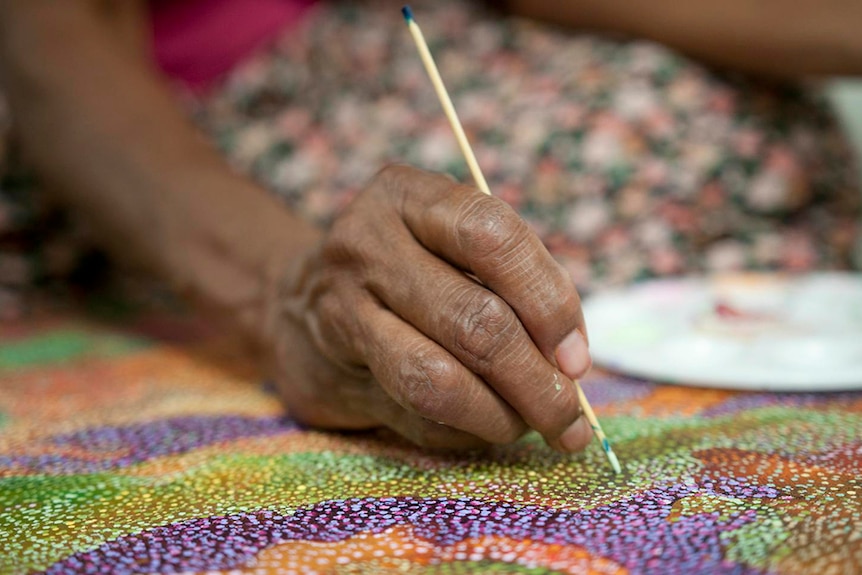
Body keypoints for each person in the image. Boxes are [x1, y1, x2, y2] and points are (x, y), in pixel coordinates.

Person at [0, 0, 859, 452]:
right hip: (177, 111)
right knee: (447, 268)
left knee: (747, 140)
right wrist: (287, 293)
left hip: (388, 33)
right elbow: (48, 40)